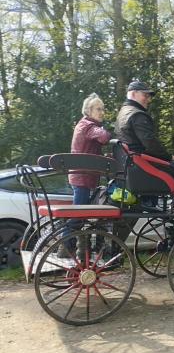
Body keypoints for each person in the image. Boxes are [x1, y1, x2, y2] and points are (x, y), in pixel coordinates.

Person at [115, 80, 174, 214]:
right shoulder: (137, 114)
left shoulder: (123, 113)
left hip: (135, 165)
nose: (148, 99)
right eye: (145, 95)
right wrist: (168, 157)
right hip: (145, 164)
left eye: (149, 96)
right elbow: (150, 143)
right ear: (133, 94)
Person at [58, 93, 112, 258]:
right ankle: (65, 249)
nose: (102, 112)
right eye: (98, 109)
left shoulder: (85, 125)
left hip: (82, 177)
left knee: (80, 215)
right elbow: (104, 137)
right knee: (78, 215)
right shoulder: (88, 125)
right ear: (88, 111)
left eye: (103, 109)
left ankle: (78, 248)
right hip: (82, 178)